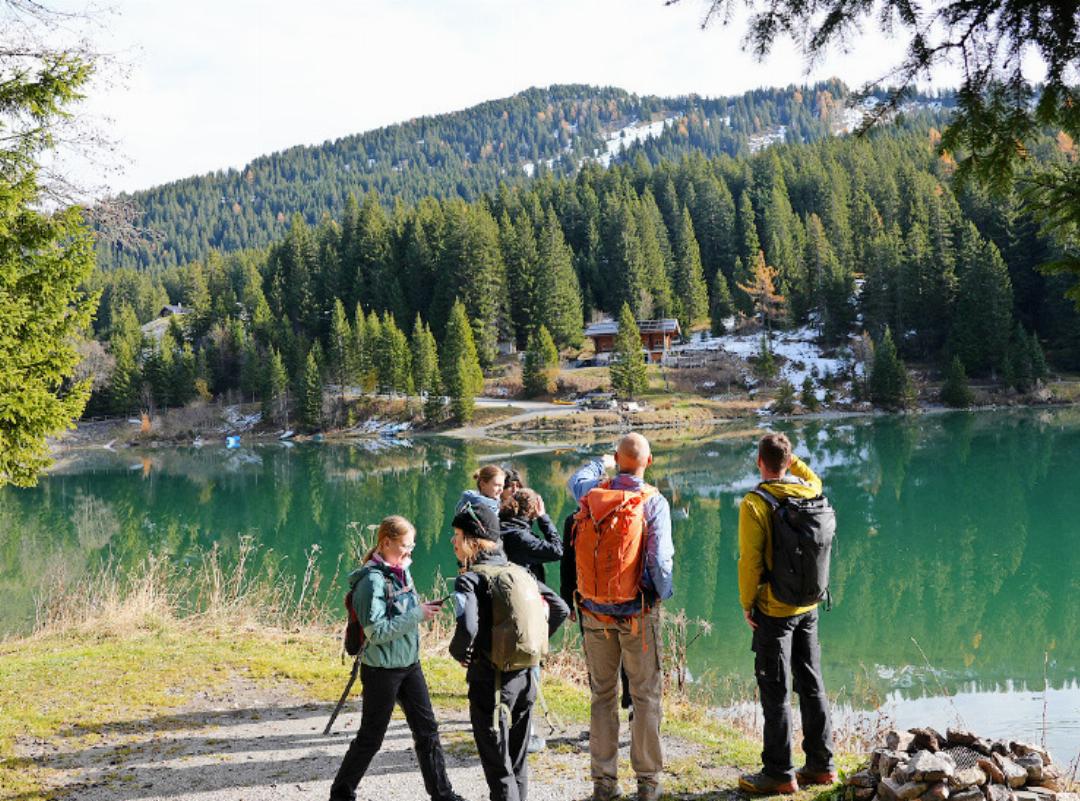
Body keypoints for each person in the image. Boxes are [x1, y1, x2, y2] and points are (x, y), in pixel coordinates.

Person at [566, 433, 673, 801]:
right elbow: (660, 562)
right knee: (645, 695)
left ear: (617, 458)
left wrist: (601, 463)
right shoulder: (652, 501)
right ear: (650, 461)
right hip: (637, 613)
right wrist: (659, 595)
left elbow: (575, 478)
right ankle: (647, 783)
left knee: (603, 695)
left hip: (594, 611)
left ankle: (604, 783)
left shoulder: (591, 495)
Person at [329, 516, 464, 801]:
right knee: (371, 738)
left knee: (427, 731)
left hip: (409, 665)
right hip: (381, 671)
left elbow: (403, 613)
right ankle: (341, 794)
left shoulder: (401, 569)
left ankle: (443, 795)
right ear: (385, 542)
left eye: (411, 546)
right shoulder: (371, 583)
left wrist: (421, 609)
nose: (409, 552)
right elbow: (376, 632)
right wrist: (417, 614)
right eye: (404, 546)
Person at [449, 502, 569, 801]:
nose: (453, 541)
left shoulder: (469, 578)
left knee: (498, 769)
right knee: (517, 764)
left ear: (472, 539)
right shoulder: (518, 571)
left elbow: (468, 626)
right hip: (526, 679)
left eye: (457, 534)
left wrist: (459, 652)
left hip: (490, 683)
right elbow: (560, 608)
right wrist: (534, 643)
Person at [737, 432, 836, 795]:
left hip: (773, 609)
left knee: (775, 689)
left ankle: (779, 773)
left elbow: (750, 561)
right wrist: (790, 457)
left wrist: (747, 603)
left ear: (760, 462)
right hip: (808, 604)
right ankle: (821, 765)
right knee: (811, 683)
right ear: (789, 460)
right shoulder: (810, 490)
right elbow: (809, 474)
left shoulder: (756, 503)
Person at [498, 486, 564, 753]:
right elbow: (557, 550)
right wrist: (545, 519)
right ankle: (526, 735)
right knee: (560, 610)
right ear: (533, 509)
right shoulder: (520, 536)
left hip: (501, 596)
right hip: (522, 589)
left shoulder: (501, 525)